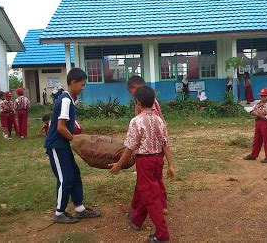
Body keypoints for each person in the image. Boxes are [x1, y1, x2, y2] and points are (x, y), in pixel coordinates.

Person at [109, 86, 174, 242]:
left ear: (137, 102)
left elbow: (130, 147)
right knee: (149, 190)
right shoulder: (159, 120)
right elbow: (165, 144)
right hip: (158, 160)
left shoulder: (136, 121)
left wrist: (118, 165)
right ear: (153, 103)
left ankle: (162, 234)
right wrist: (171, 164)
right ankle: (136, 219)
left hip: (145, 162)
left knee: (150, 196)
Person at [44, 68, 100, 224]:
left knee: (74, 174)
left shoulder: (69, 99)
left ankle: (80, 208)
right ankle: (59, 212)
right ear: (73, 83)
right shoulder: (66, 100)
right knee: (65, 178)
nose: (83, 88)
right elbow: (60, 127)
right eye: (82, 85)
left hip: (63, 144)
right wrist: (75, 140)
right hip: (56, 145)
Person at [126, 75, 168, 215]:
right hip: (148, 148)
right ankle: (137, 205)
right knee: (145, 180)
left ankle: (160, 205)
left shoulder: (149, 102)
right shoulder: (141, 102)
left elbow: (153, 124)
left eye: (133, 91)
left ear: (135, 88)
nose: (133, 94)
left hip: (151, 149)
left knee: (153, 180)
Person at [243, 88, 267, 163]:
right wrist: (259, 113)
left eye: (264, 96)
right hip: (258, 123)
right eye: (261, 96)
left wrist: (257, 114)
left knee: (266, 140)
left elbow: (266, 117)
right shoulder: (258, 104)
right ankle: (254, 154)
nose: (262, 97)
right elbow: (251, 112)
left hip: (264, 123)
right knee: (256, 139)